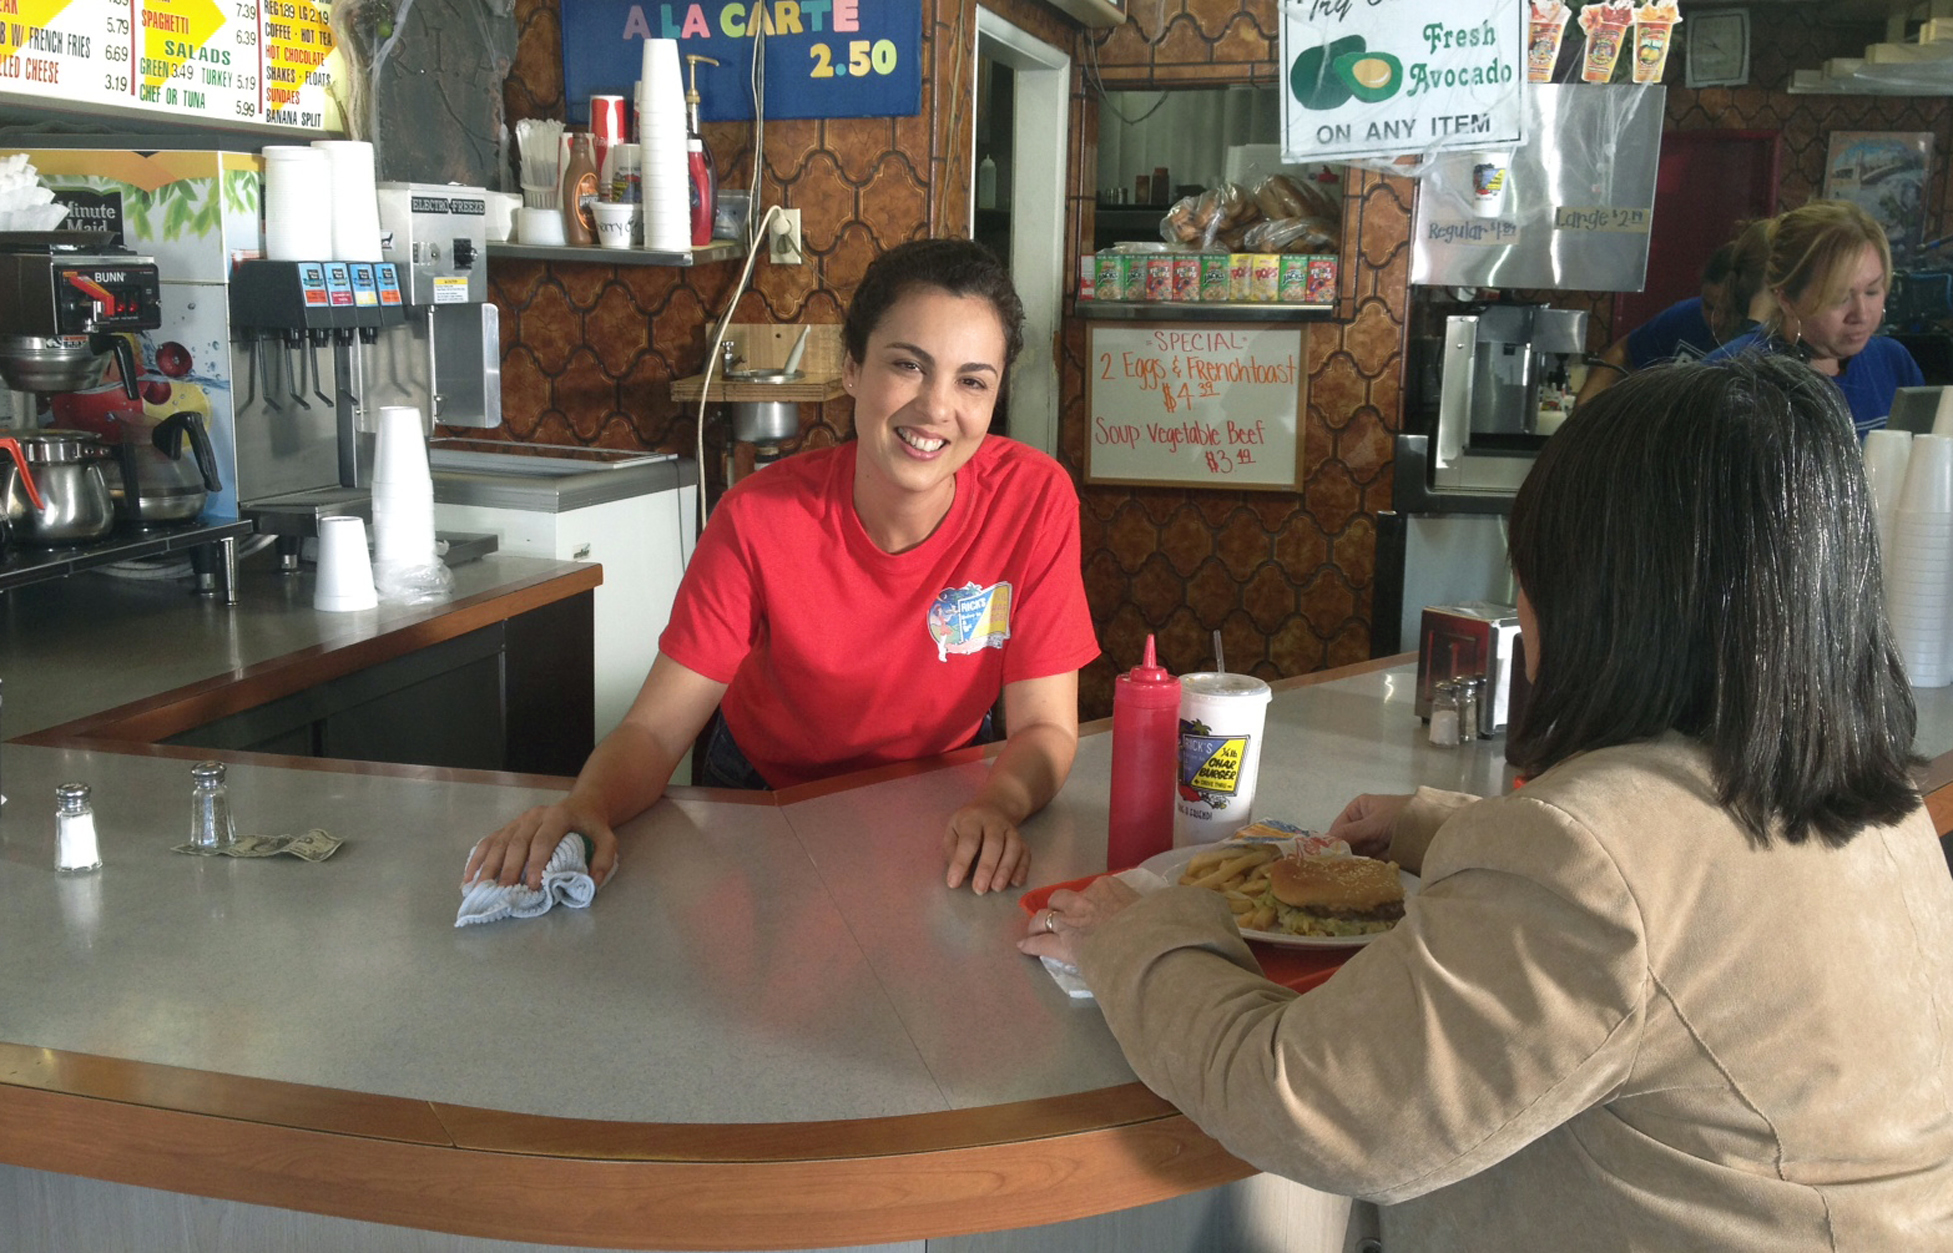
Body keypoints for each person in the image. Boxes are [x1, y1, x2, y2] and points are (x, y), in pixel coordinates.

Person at [1023, 355, 1953, 1250]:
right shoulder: (1878, 801)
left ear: (1604, 602)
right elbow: (1678, 905)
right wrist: (1439, 825)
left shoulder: (1593, 860)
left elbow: (1312, 1106)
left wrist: (1136, 936)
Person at [469, 239, 1100, 897]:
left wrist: (998, 807)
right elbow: (656, 731)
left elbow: (1043, 727)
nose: (937, 408)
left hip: (942, 799)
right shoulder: (756, 518)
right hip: (767, 798)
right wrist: (585, 805)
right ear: (852, 368)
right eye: (907, 366)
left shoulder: (1034, 499)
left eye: (971, 380)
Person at [1706, 199, 1923, 436]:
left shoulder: (1893, 363)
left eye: (1872, 291)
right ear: (1786, 298)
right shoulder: (1730, 376)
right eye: (1840, 297)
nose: (1861, 314)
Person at [1575, 218, 1770, 404]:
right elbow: (1622, 351)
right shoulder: (1685, 315)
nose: (1715, 319)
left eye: (1727, 310)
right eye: (1709, 306)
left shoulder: (1758, 347)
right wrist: (1583, 412)